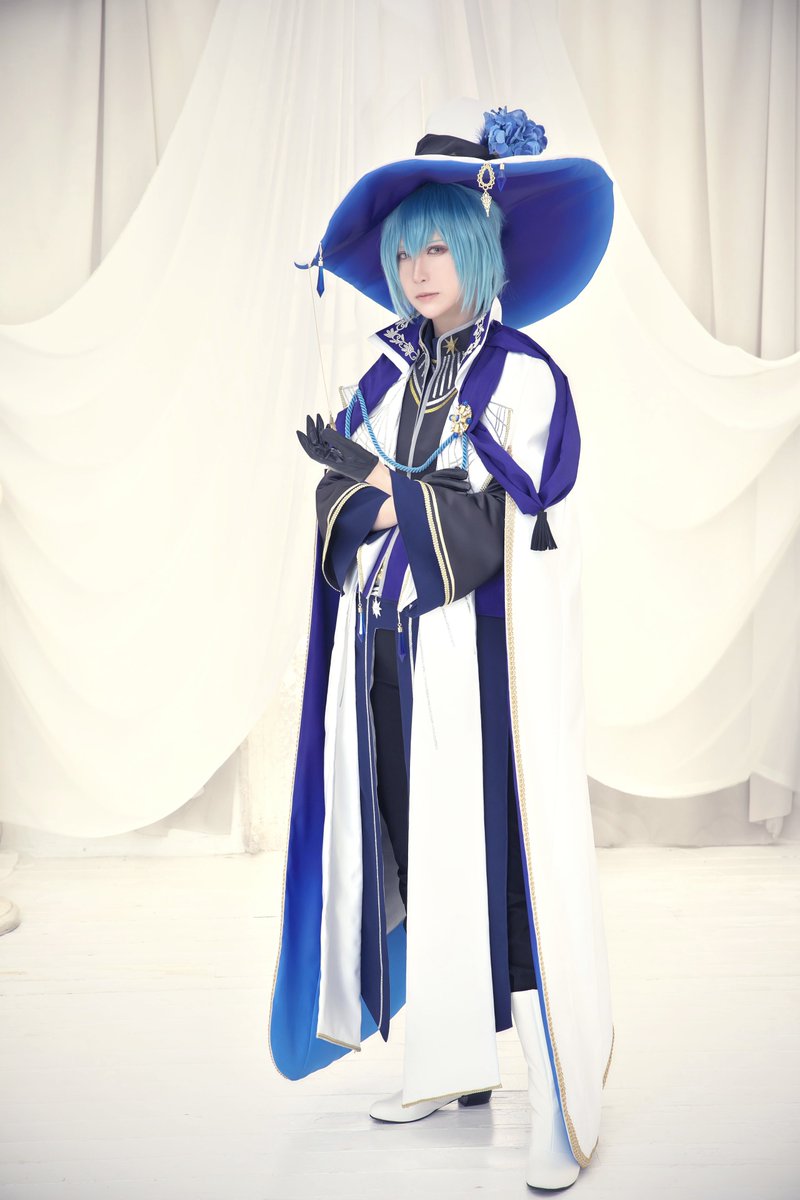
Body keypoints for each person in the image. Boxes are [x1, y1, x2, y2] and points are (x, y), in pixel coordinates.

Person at [269, 98, 615, 1191]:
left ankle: (561, 1098)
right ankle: (449, 1064)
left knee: (506, 865)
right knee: (423, 857)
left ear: (480, 247)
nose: (419, 271)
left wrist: (387, 489)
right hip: (392, 656)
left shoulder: (524, 375)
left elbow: (501, 518)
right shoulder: (383, 374)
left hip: (484, 665)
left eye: (439, 248)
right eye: (405, 251)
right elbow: (339, 500)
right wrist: (377, 491)